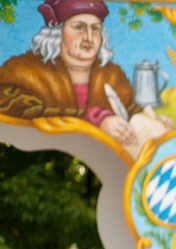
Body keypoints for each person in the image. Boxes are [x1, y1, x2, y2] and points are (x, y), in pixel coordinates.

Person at [0, 0, 140, 148]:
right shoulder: (23, 71)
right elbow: (18, 111)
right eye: (79, 27)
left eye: (95, 29)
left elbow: (130, 109)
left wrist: (148, 121)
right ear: (57, 33)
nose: (89, 37)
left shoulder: (112, 74)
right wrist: (92, 121)